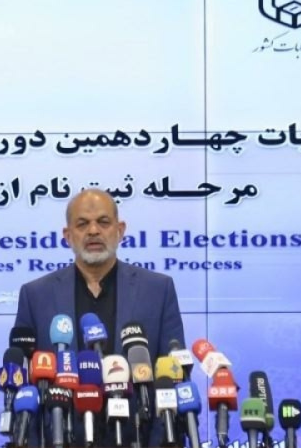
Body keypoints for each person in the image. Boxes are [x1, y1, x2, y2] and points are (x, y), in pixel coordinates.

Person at [14, 188, 186, 446]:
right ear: (68, 235)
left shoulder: (158, 290)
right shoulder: (36, 295)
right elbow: (22, 384)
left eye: (103, 222)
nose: (93, 231)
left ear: (120, 230)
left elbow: (172, 377)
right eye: (82, 224)